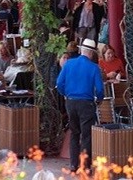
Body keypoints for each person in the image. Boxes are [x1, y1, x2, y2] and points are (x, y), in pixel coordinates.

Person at [56, 38, 105, 173]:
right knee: (86, 135)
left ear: (81, 50)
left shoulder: (69, 64)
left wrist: (65, 94)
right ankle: (84, 165)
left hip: (70, 102)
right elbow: (100, 90)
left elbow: (59, 83)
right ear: (91, 53)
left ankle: (73, 164)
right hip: (86, 103)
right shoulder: (94, 67)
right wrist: (99, 100)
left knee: (74, 133)